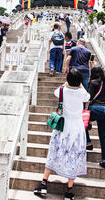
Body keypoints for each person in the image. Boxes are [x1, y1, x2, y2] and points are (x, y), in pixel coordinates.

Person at [34, 69, 90, 199]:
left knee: (54, 152)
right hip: (77, 128)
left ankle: (44, 183)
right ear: (79, 81)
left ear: (68, 79)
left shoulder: (62, 91)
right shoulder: (82, 93)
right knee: (74, 156)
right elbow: (88, 96)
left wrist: (66, 83)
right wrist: (80, 84)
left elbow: (56, 91)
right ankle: (69, 190)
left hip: (62, 126)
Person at [86, 66, 105, 169]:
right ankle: (104, 159)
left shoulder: (92, 83)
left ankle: (88, 142)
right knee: (103, 136)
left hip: (95, 109)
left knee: (82, 122)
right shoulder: (104, 84)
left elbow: (89, 97)